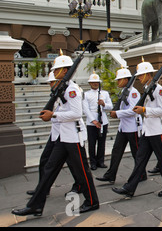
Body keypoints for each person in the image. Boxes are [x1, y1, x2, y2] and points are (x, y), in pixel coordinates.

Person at [12, 53, 99, 217]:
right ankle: (35, 205)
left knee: (82, 172)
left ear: (66, 70)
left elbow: (76, 113)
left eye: (58, 70)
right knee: (49, 169)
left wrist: (53, 115)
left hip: (73, 137)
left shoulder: (72, 89)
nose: (55, 73)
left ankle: (92, 202)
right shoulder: (62, 88)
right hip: (62, 137)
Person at [112, 60, 162, 198]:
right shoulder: (148, 88)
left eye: (141, 75)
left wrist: (144, 109)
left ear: (148, 74)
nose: (139, 78)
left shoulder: (158, 89)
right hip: (147, 130)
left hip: (156, 130)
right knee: (140, 160)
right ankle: (129, 187)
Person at [96, 68, 141, 184]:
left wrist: (118, 113)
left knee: (136, 153)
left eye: (119, 80)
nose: (117, 82)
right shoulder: (124, 91)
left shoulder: (134, 92)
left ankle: (141, 174)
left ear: (126, 79)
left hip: (133, 127)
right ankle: (111, 175)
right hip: (123, 127)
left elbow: (134, 111)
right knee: (116, 151)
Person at [82, 72, 113, 170]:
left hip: (103, 120)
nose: (95, 84)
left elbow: (110, 106)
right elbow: (85, 109)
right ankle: (93, 162)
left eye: (97, 82)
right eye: (93, 82)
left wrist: (104, 104)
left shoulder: (105, 93)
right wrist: (94, 121)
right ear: (90, 83)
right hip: (92, 122)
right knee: (92, 143)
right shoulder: (86, 94)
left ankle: (101, 161)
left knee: (101, 142)